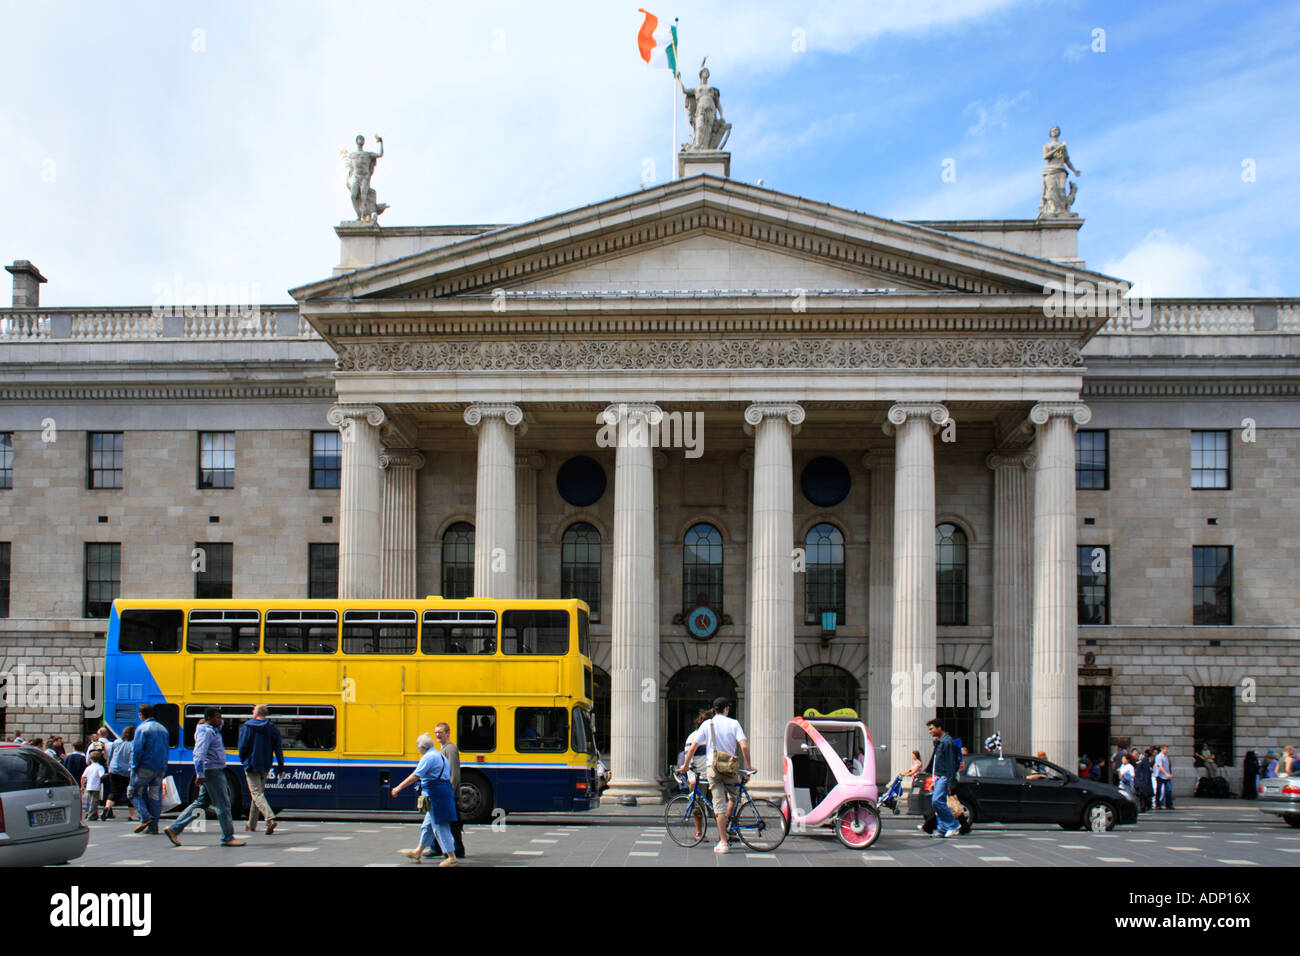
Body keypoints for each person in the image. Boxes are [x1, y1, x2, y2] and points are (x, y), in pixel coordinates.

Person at [679, 697, 752, 854]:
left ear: (715, 709)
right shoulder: (734, 723)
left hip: (714, 769)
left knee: (718, 806)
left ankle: (723, 842)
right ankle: (729, 824)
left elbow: (692, 748)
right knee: (734, 797)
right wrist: (749, 765)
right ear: (726, 709)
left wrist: (685, 766)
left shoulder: (707, 724)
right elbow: (744, 746)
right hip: (730, 767)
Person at [164, 708, 244, 847]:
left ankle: (174, 828)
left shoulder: (213, 729)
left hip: (214, 770)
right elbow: (199, 754)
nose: (220, 720)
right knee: (223, 805)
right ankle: (227, 837)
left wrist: (205, 721)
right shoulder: (206, 732)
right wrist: (200, 774)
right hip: (212, 771)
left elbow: (221, 723)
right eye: (217, 717)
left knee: (201, 803)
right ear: (210, 719)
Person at [391, 732, 458, 866]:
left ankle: (452, 857)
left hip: (435, 794)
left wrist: (398, 788)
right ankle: (418, 852)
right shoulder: (439, 755)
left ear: (421, 747)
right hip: (440, 792)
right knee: (428, 825)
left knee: (439, 825)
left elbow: (415, 776)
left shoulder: (428, 757)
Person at [238, 704, 284, 834]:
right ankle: (251, 824)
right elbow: (278, 748)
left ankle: (269, 818)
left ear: (256, 713)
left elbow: (242, 747)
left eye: (253, 710)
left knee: (256, 794)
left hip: (251, 765)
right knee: (258, 795)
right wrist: (281, 766)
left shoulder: (247, 727)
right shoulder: (272, 728)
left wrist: (244, 760)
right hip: (265, 764)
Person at [425, 721, 466, 859]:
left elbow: (454, 774)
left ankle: (458, 849)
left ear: (447, 733)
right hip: (444, 792)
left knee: (451, 823)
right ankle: (437, 847)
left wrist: (450, 792)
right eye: (436, 732)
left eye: (440, 732)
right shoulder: (443, 749)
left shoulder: (450, 749)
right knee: (439, 820)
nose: (437, 735)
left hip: (449, 793)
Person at [130, 704, 169, 834]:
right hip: (160, 768)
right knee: (155, 797)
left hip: (145, 768)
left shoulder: (142, 729)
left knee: (133, 793)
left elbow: (137, 750)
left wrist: (134, 767)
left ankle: (146, 817)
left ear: (141, 715)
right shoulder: (163, 729)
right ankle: (153, 827)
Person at [926, 717, 962, 838]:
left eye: (932, 729)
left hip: (945, 776)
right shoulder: (940, 742)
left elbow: (951, 763)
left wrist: (950, 782)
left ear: (939, 727)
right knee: (938, 802)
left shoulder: (947, 742)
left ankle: (953, 825)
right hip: (939, 776)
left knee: (937, 801)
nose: (930, 731)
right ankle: (942, 828)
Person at [104, 725, 135, 821]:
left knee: (114, 791)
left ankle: (107, 808)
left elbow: (110, 756)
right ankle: (132, 815)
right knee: (130, 793)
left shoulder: (116, 742)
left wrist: (109, 768)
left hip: (114, 769)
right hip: (126, 771)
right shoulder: (133, 744)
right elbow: (133, 758)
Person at [81, 749, 107, 821]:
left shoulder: (88, 767)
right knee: (94, 802)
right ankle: (91, 815)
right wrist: (107, 774)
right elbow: (101, 776)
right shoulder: (100, 767)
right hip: (96, 786)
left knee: (90, 801)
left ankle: (93, 814)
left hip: (89, 786)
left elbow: (83, 777)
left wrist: (82, 786)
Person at [1154, 745, 1174, 809]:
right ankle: (1158, 804)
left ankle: (1169, 804)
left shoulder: (1166, 756)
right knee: (1159, 790)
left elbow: (1168, 766)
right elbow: (1160, 766)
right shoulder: (1159, 756)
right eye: (1166, 749)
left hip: (1166, 776)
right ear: (1162, 749)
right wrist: (1166, 774)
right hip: (1160, 775)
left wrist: (1169, 774)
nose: (1167, 751)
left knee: (1168, 790)